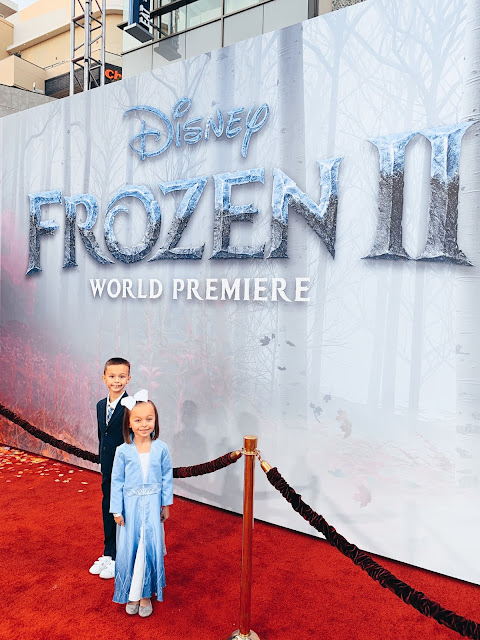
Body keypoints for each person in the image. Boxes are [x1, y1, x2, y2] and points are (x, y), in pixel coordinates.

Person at [110, 391, 173, 617]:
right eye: (138, 420)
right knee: (131, 548)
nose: (144, 424)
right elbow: (116, 481)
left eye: (149, 419)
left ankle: (146, 594)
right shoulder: (122, 451)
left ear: (156, 421)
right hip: (130, 508)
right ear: (129, 423)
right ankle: (132, 592)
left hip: (153, 506)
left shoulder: (161, 448)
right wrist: (116, 510)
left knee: (148, 546)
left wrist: (166, 504)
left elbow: (166, 477)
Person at [89, 357, 131, 580]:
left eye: (121, 376)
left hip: (125, 470)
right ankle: (109, 552)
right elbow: (102, 436)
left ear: (128, 378)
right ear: (104, 378)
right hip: (107, 467)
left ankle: (120, 557)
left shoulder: (132, 406)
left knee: (121, 511)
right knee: (108, 506)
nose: (117, 381)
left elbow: (137, 438)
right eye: (112, 376)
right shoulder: (99, 405)